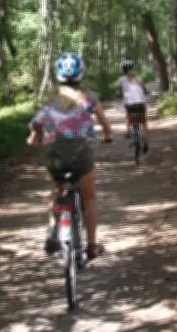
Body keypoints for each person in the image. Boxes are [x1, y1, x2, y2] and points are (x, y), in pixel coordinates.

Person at [26, 52, 113, 259]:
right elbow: (105, 124)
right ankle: (91, 246)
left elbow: (36, 127)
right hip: (81, 152)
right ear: (81, 73)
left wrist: (33, 140)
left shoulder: (50, 101)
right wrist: (107, 136)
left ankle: (52, 231)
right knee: (89, 196)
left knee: (57, 189)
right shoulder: (89, 98)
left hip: (54, 153)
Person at [116, 60, 149, 154]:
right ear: (133, 68)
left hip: (129, 105)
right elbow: (144, 89)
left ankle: (127, 132)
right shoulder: (139, 78)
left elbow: (120, 92)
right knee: (143, 123)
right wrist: (146, 91)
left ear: (123, 70)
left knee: (128, 116)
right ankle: (145, 143)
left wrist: (119, 94)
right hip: (140, 104)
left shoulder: (121, 79)